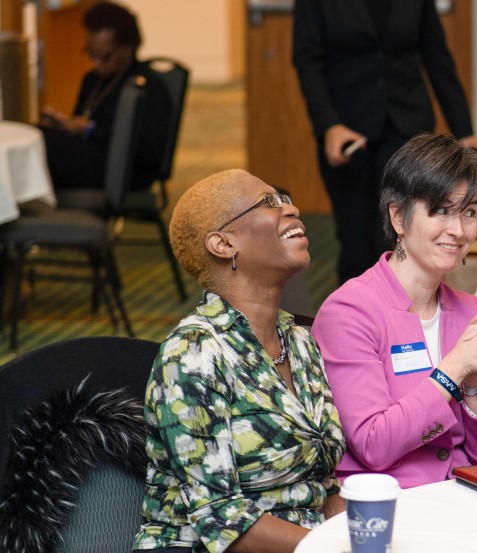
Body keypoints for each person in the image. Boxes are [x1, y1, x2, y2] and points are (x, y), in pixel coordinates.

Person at [134, 169, 345, 552]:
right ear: (223, 243)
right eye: (270, 203)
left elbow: (324, 486)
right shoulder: (193, 353)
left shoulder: (299, 342)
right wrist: (332, 547)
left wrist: (364, 534)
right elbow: (220, 518)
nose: (293, 208)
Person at [312, 134, 477, 489]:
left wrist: (475, 384)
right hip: (389, 504)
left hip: (462, 500)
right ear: (399, 218)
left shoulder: (469, 308)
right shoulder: (350, 312)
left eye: (469, 213)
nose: (459, 230)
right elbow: (374, 444)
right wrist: (455, 367)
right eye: (440, 211)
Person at [293, 1, 477, 283]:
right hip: (348, 131)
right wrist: (329, 125)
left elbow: (437, 58)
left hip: (408, 129)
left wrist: (464, 131)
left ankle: (412, 321)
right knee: (356, 242)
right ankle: (355, 321)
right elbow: (307, 60)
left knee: (406, 238)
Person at [39, 1, 171, 194]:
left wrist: (90, 130)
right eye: (91, 54)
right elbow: (80, 122)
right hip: (91, 158)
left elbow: (144, 150)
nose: (96, 63)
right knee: (38, 134)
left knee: (45, 146)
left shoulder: (145, 86)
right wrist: (63, 125)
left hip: (124, 171)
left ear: (127, 48)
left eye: (104, 57)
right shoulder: (92, 80)